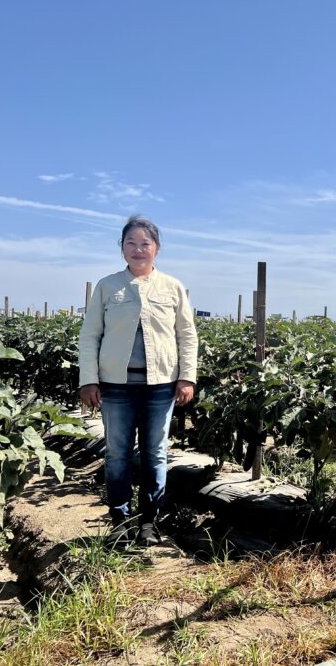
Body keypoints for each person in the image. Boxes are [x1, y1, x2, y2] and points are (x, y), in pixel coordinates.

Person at [79, 215, 198, 546]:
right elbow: (89, 336)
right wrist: (89, 380)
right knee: (117, 452)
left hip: (160, 386)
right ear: (122, 248)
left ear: (157, 249)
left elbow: (187, 336)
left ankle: (149, 520)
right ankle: (119, 517)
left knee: (155, 452)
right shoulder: (107, 286)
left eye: (145, 243)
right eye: (130, 243)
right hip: (115, 385)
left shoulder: (172, 287)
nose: (138, 249)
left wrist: (186, 377)